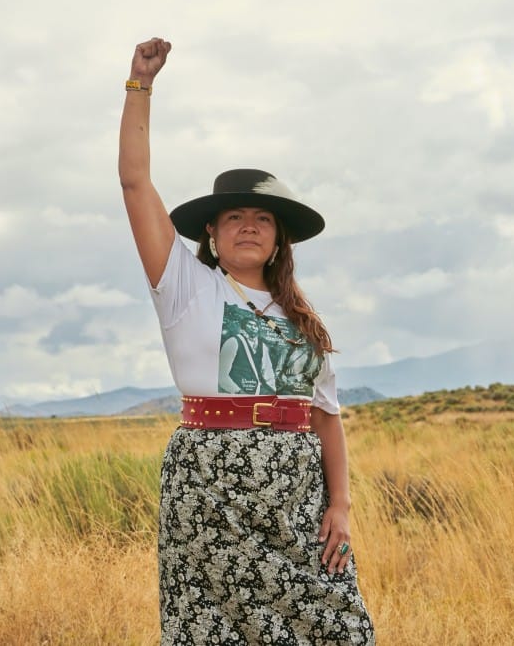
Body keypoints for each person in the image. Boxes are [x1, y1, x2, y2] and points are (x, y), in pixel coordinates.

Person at [119, 37, 375, 645]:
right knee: (215, 633)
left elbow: (327, 419)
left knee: (340, 626)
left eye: (263, 218)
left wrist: (339, 504)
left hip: (295, 490)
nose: (249, 226)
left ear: (280, 239)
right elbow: (134, 184)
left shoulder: (303, 319)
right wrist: (139, 85)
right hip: (210, 485)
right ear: (211, 232)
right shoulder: (185, 287)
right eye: (235, 216)